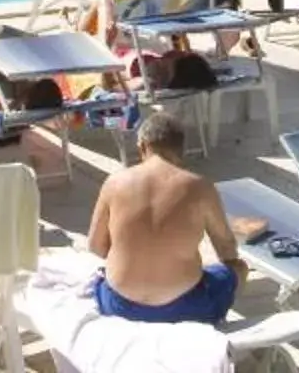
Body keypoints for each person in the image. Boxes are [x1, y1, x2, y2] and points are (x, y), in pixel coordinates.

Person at [87, 111, 244, 326]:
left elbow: (96, 246)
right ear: (181, 150)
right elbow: (227, 249)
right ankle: (214, 323)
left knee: (104, 275)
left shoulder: (115, 182)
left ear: (142, 146)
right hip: (186, 308)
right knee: (237, 269)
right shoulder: (200, 187)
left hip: (120, 306)